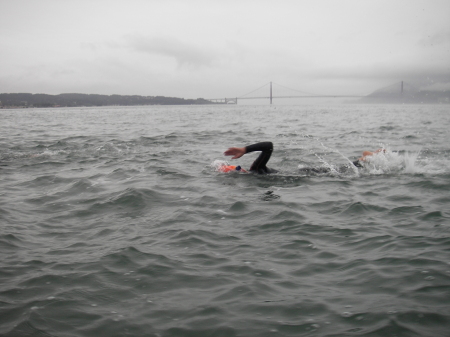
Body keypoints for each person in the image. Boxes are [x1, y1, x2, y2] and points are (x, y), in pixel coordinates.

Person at [223, 141, 385, 174]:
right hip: (305, 172)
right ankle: (365, 157)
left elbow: (269, 145)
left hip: (309, 172)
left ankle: (366, 157)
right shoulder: (256, 171)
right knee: (343, 168)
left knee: (343, 170)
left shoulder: (256, 169)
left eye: (237, 168)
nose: (241, 169)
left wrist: (245, 149)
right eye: (237, 169)